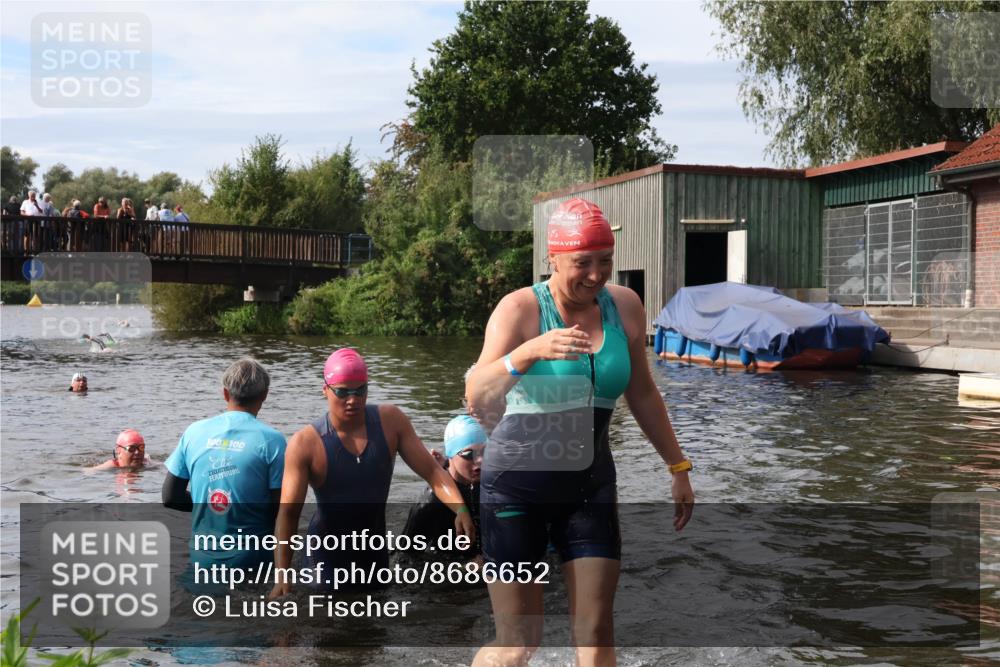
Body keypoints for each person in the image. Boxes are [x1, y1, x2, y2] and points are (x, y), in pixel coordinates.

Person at [465, 197, 695, 667]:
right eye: (582, 263)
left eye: (605, 261)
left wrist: (678, 466)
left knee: (595, 633)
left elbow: (644, 394)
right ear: (553, 258)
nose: (596, 275)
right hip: (515, 489)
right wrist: (528, 353)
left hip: (589, 485)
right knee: (517, 644)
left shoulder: (625, 307)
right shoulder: (520, 309)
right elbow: (476, 392)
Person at [269, 348, 474, 598]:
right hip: (324, 565)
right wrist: (282, 575)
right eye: (343, 392)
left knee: (376, 629)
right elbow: (289, 513)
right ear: (326, 390)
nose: (352, 400)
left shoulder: (391, 422)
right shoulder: (305, 444)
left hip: (374, 560)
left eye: (360, 391)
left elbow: (432, 471)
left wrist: (460, 509)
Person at [162, 358, 286, 569]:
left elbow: (170, 497)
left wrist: (213, 506)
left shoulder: (194, 432)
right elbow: (281, 510)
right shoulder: (273, 441)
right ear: (265, 395)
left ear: (225, 393)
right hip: (253, 561)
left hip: (202, 560)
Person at [403, 415, 486, 561]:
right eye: (469, 454)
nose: (480, 461)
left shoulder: (490, 487)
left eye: (485, 452)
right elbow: (404, 559)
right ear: (451, 455)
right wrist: (460, 569)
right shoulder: (429, 502)